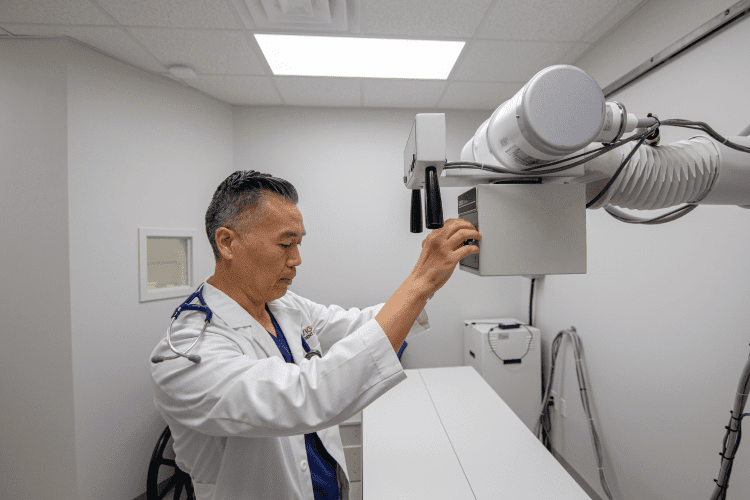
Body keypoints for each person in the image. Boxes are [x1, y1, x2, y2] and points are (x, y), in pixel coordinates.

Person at [149, 170, 481, 500]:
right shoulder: (185, 354)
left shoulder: (284, 306)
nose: (296, 259)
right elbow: (305, 396)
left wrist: (425, 288)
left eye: (298, 243)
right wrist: (418, 282)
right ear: (227, 242)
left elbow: (360, 325)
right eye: (285, 243)